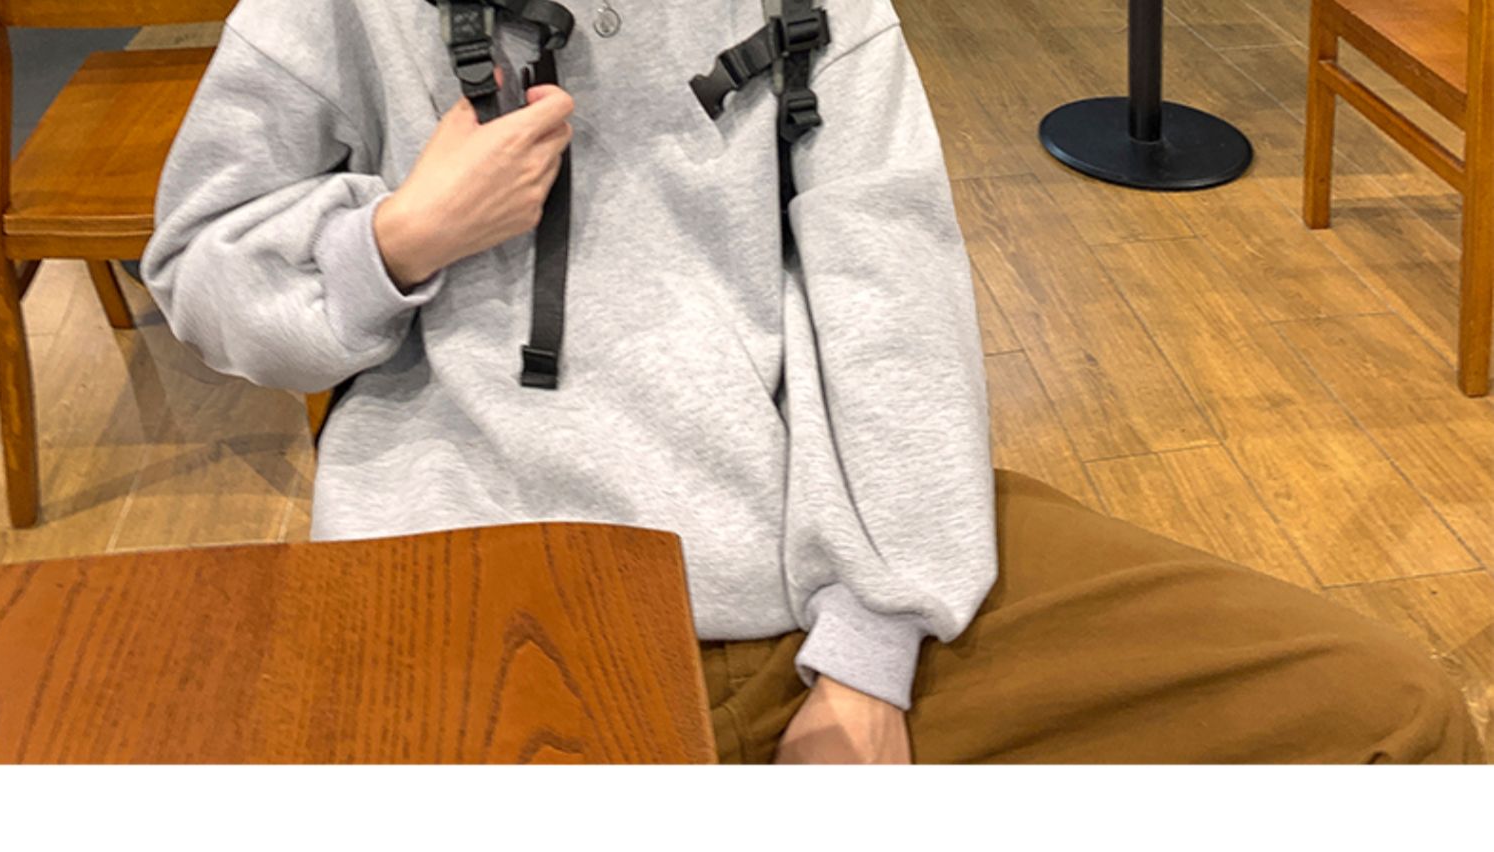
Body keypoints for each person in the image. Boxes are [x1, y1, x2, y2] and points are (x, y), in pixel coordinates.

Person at [141, 0, 1484, 763]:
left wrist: (868, 654)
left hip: (819, 563)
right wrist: (400, 239)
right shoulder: (335, 14)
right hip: (480, 589)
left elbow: (891, 299)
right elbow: (198, 265)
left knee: (1393, 721)